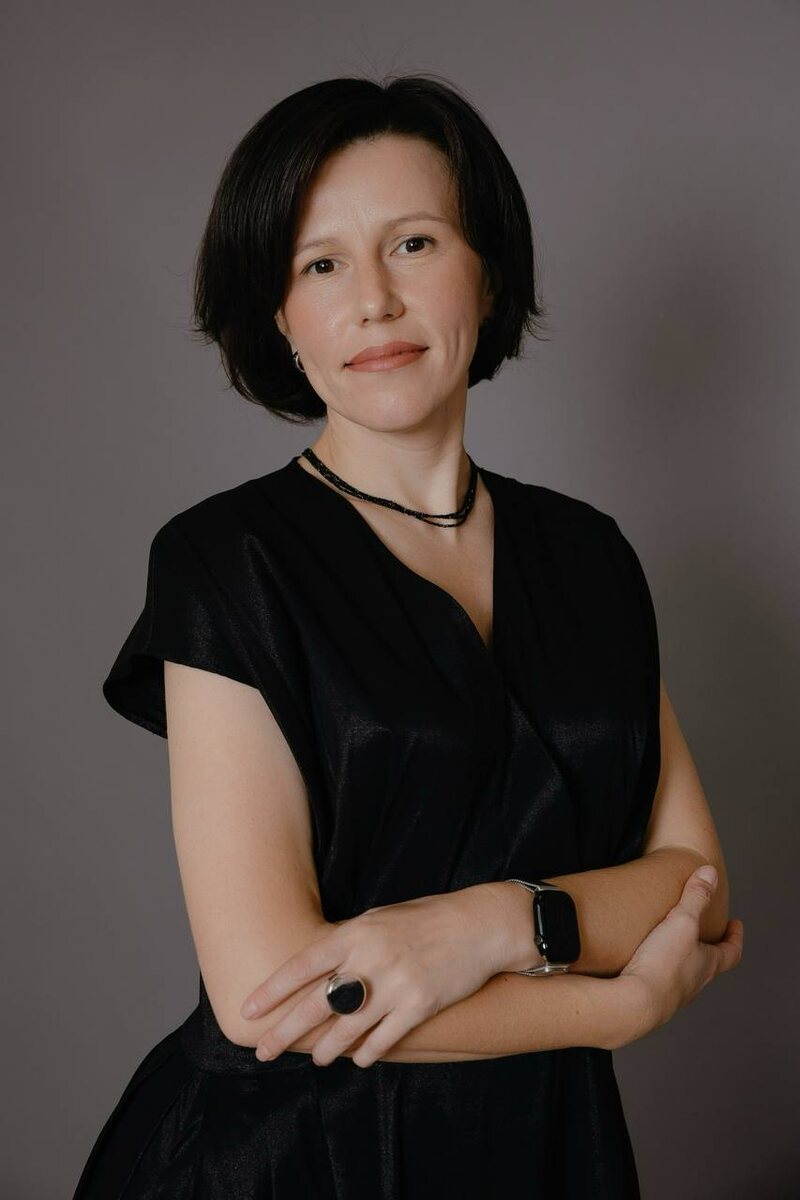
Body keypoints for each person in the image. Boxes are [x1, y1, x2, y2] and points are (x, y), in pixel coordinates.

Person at [72, 73, 743, 1198]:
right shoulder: (224, 560)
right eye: (319, 264)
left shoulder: (590, 555)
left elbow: (696, 887)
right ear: (278, 316)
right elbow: (271, 995)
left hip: (548, 1154)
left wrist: (491, 924)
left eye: (414, 244)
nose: (373, 302)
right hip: (289, 1160)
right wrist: (614, 1006)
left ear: (487, 270)